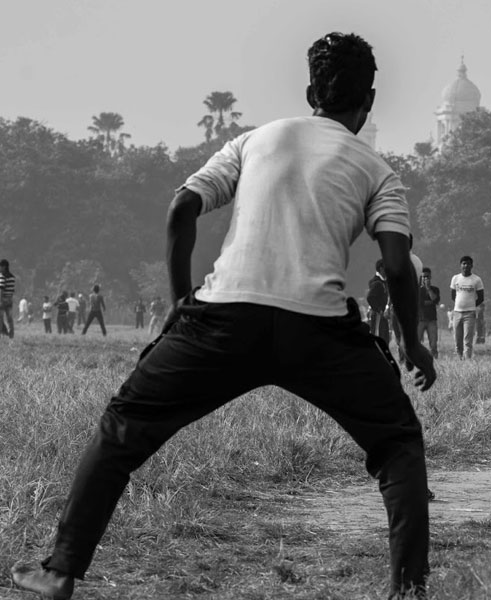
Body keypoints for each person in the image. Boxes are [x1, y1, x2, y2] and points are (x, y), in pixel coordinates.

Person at [9, 32, 435, 600]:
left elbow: (182, 206)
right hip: (320, 330)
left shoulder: (256, 140)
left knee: (122, 430)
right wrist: (411, 342)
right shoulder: (380, 172)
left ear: (310, 91)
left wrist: (179, 300)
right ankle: (408, 590)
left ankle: (60, 570)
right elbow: (398, 264)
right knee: (397, 443)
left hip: (222, 319)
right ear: (371, 101)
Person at [450, 256, 484, 358]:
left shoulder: (476, 279)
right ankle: (460, 359)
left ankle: (468, 361)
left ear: (472, 265)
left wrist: (471, 305)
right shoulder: (455, 278)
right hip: (457, 313)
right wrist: (459, 305)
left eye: (468, 264)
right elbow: (453, 296)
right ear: (460, 265)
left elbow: (481, 297)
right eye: (464, 263)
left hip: (470, 313)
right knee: (457, 340)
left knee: (468, 340)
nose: (466, 266)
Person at [417, 268, 440, 358]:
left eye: (427, 276)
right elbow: (419, 303)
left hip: (432, 320)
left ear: (430, 277)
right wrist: (430, 302)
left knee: (433, 344)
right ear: (421, 278)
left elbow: (435, 300)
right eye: (424, 277)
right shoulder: (417, 290)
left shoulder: (435, 289)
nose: (425, 279)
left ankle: (434, 359)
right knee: (417, 342)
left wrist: (428, 289)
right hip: (420, 319)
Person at [367, 259, 392, 342]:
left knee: (385, 339)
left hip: (383, 316)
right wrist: (379, 310)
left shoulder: (384, 282)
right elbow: (370, 297)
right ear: (381, 268)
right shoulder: (377, 283)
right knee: (379, 340)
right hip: (377, 315)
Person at [0, 259, 14, 338]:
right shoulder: (12, 277)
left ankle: (2, 335)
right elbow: (11, 290)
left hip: (2, 299)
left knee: (0, 318)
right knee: (10, 319)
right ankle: (11, 336)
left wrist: (0, 300)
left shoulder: (2, 276)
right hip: (10, 299)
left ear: (4, 267)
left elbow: (1, 289)